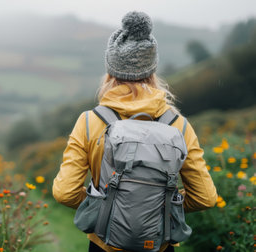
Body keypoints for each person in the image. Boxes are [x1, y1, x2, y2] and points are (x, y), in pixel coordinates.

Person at [52, 11, 217, 252]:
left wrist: (107, 207)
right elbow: (205, 197)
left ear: (110, 72)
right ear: (152, 71)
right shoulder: (178, 125)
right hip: (159, 244)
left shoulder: (89, 122)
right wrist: (159, 207)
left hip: (103, 244)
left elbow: (64, 193)